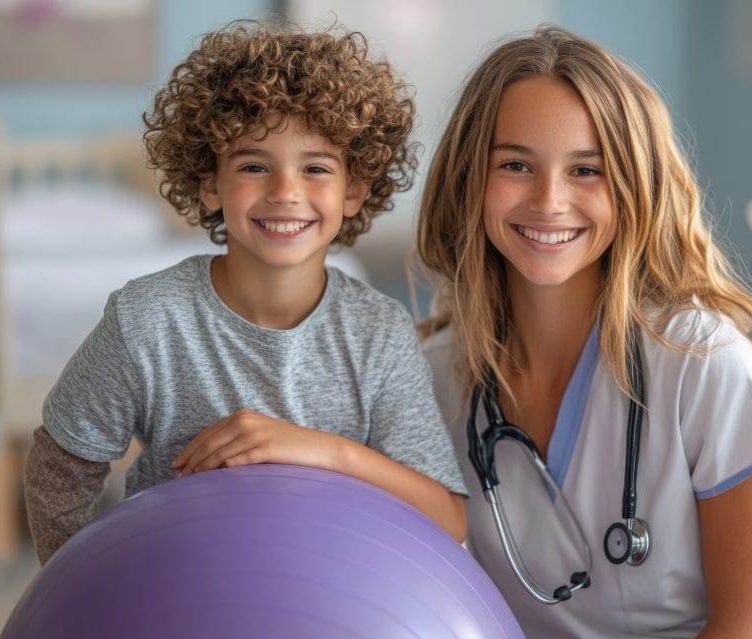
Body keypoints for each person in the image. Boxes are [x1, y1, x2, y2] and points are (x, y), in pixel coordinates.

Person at [416, 25, 752, 639]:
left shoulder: (701, 359)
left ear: (633, 185)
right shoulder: (433, 378)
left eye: (586, 170)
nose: (549, 200)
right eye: (515, 165)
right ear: (469, 178)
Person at [24, 20, 467, 566]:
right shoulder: (145, 318)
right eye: (254, 166)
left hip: (333, 610)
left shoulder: (381, 331)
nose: (285, 192)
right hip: (179, 599)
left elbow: (447, 515)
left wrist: (321, 450)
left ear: (354, 190)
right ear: (211, 183)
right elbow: (58, 472)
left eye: (316, 168)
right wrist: (82, 592)